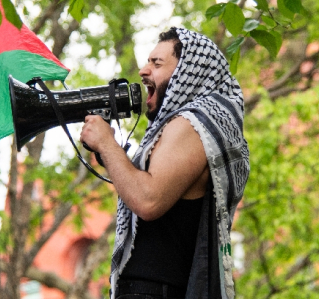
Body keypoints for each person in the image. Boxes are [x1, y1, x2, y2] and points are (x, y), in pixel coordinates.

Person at [80, 27, 250, 299]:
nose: (144, 71)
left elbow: (148, 200)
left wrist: (107, 144)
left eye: (156, 63)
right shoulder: (181, 126)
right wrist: (109, 153)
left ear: (188, 73)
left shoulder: (191, 124)